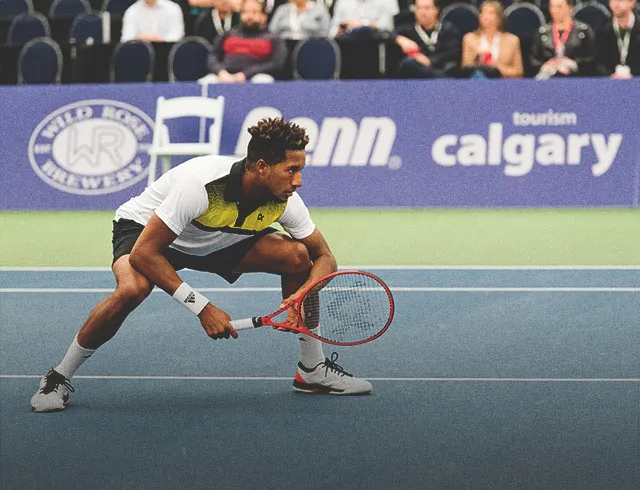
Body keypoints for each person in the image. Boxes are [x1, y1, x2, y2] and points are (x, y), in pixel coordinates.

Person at [30, 117, 373, 413]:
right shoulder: (202, 186)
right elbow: (143, 255)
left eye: (301, 170)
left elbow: (325, 257)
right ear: (262, 167)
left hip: (216, 237)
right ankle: (58, 376)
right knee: (132, 288)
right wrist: (202, 307)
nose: (298, 181)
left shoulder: (285, 201)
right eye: (291, 170)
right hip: (149, 231)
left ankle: (312, 369)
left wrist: (300, 295)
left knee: (298, 257)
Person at [203, 0, 287, 83]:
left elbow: (276, 64)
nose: (249, 16)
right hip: (226, 76)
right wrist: (220, 72)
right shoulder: (228, 35)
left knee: (263, 81)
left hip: (255, 76)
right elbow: (213, 56)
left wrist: (246, 74)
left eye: (254, 12)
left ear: (264, 16)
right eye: (245, 12)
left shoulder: (273, 39)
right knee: (206, 81)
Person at [392, 0, 461, 78]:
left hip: (442, 69)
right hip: (416, 78)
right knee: (408, 63)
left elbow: (453, 53)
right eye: (418, 8)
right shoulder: (408, 31)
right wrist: (399, 39)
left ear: (436, 10)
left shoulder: (448, 29)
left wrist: (430, 61)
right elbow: (386, 34)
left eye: (427, 8)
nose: (422, 13)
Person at [530, 0, 596, 79]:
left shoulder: (583, 31)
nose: (555, 10)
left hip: (577, 80)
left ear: (570, 7)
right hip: (549, 79)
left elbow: (592, 58)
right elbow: (534, 60)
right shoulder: (542, 32)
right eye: (552, 6)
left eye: (559, 6)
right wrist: (546, 65)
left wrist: (575, 64)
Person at [460, 0, 523, 78]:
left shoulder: (512, 40)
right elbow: (465, 68)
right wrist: (477, 58)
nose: (485, 16)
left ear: (499, 18)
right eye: (482, 12)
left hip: (504, 84)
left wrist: (496, 66)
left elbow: (518, 71)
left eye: (490, 13)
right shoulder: (469, 39)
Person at [596, 0, 640, 78]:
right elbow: (598, 61)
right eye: (612, 0)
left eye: (620, 0)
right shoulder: (603, 29)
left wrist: (634, 76)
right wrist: (610, 75)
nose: (616, 3)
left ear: (632, 2)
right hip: (610, 83)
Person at [120, 0, 185, 43]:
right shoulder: (131, 11)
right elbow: (126, 39)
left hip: (166, 52)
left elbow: (177, 36)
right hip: (138, 54)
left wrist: (159, 40)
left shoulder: (173, 8)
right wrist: (139, 39)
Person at [329, 0, 399, 39]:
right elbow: (332, 31)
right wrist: (339, 31)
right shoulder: (342, 2)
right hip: (346, 44)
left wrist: (361, 24)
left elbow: (387, 26)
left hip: (375, 43)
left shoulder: (386, 1)